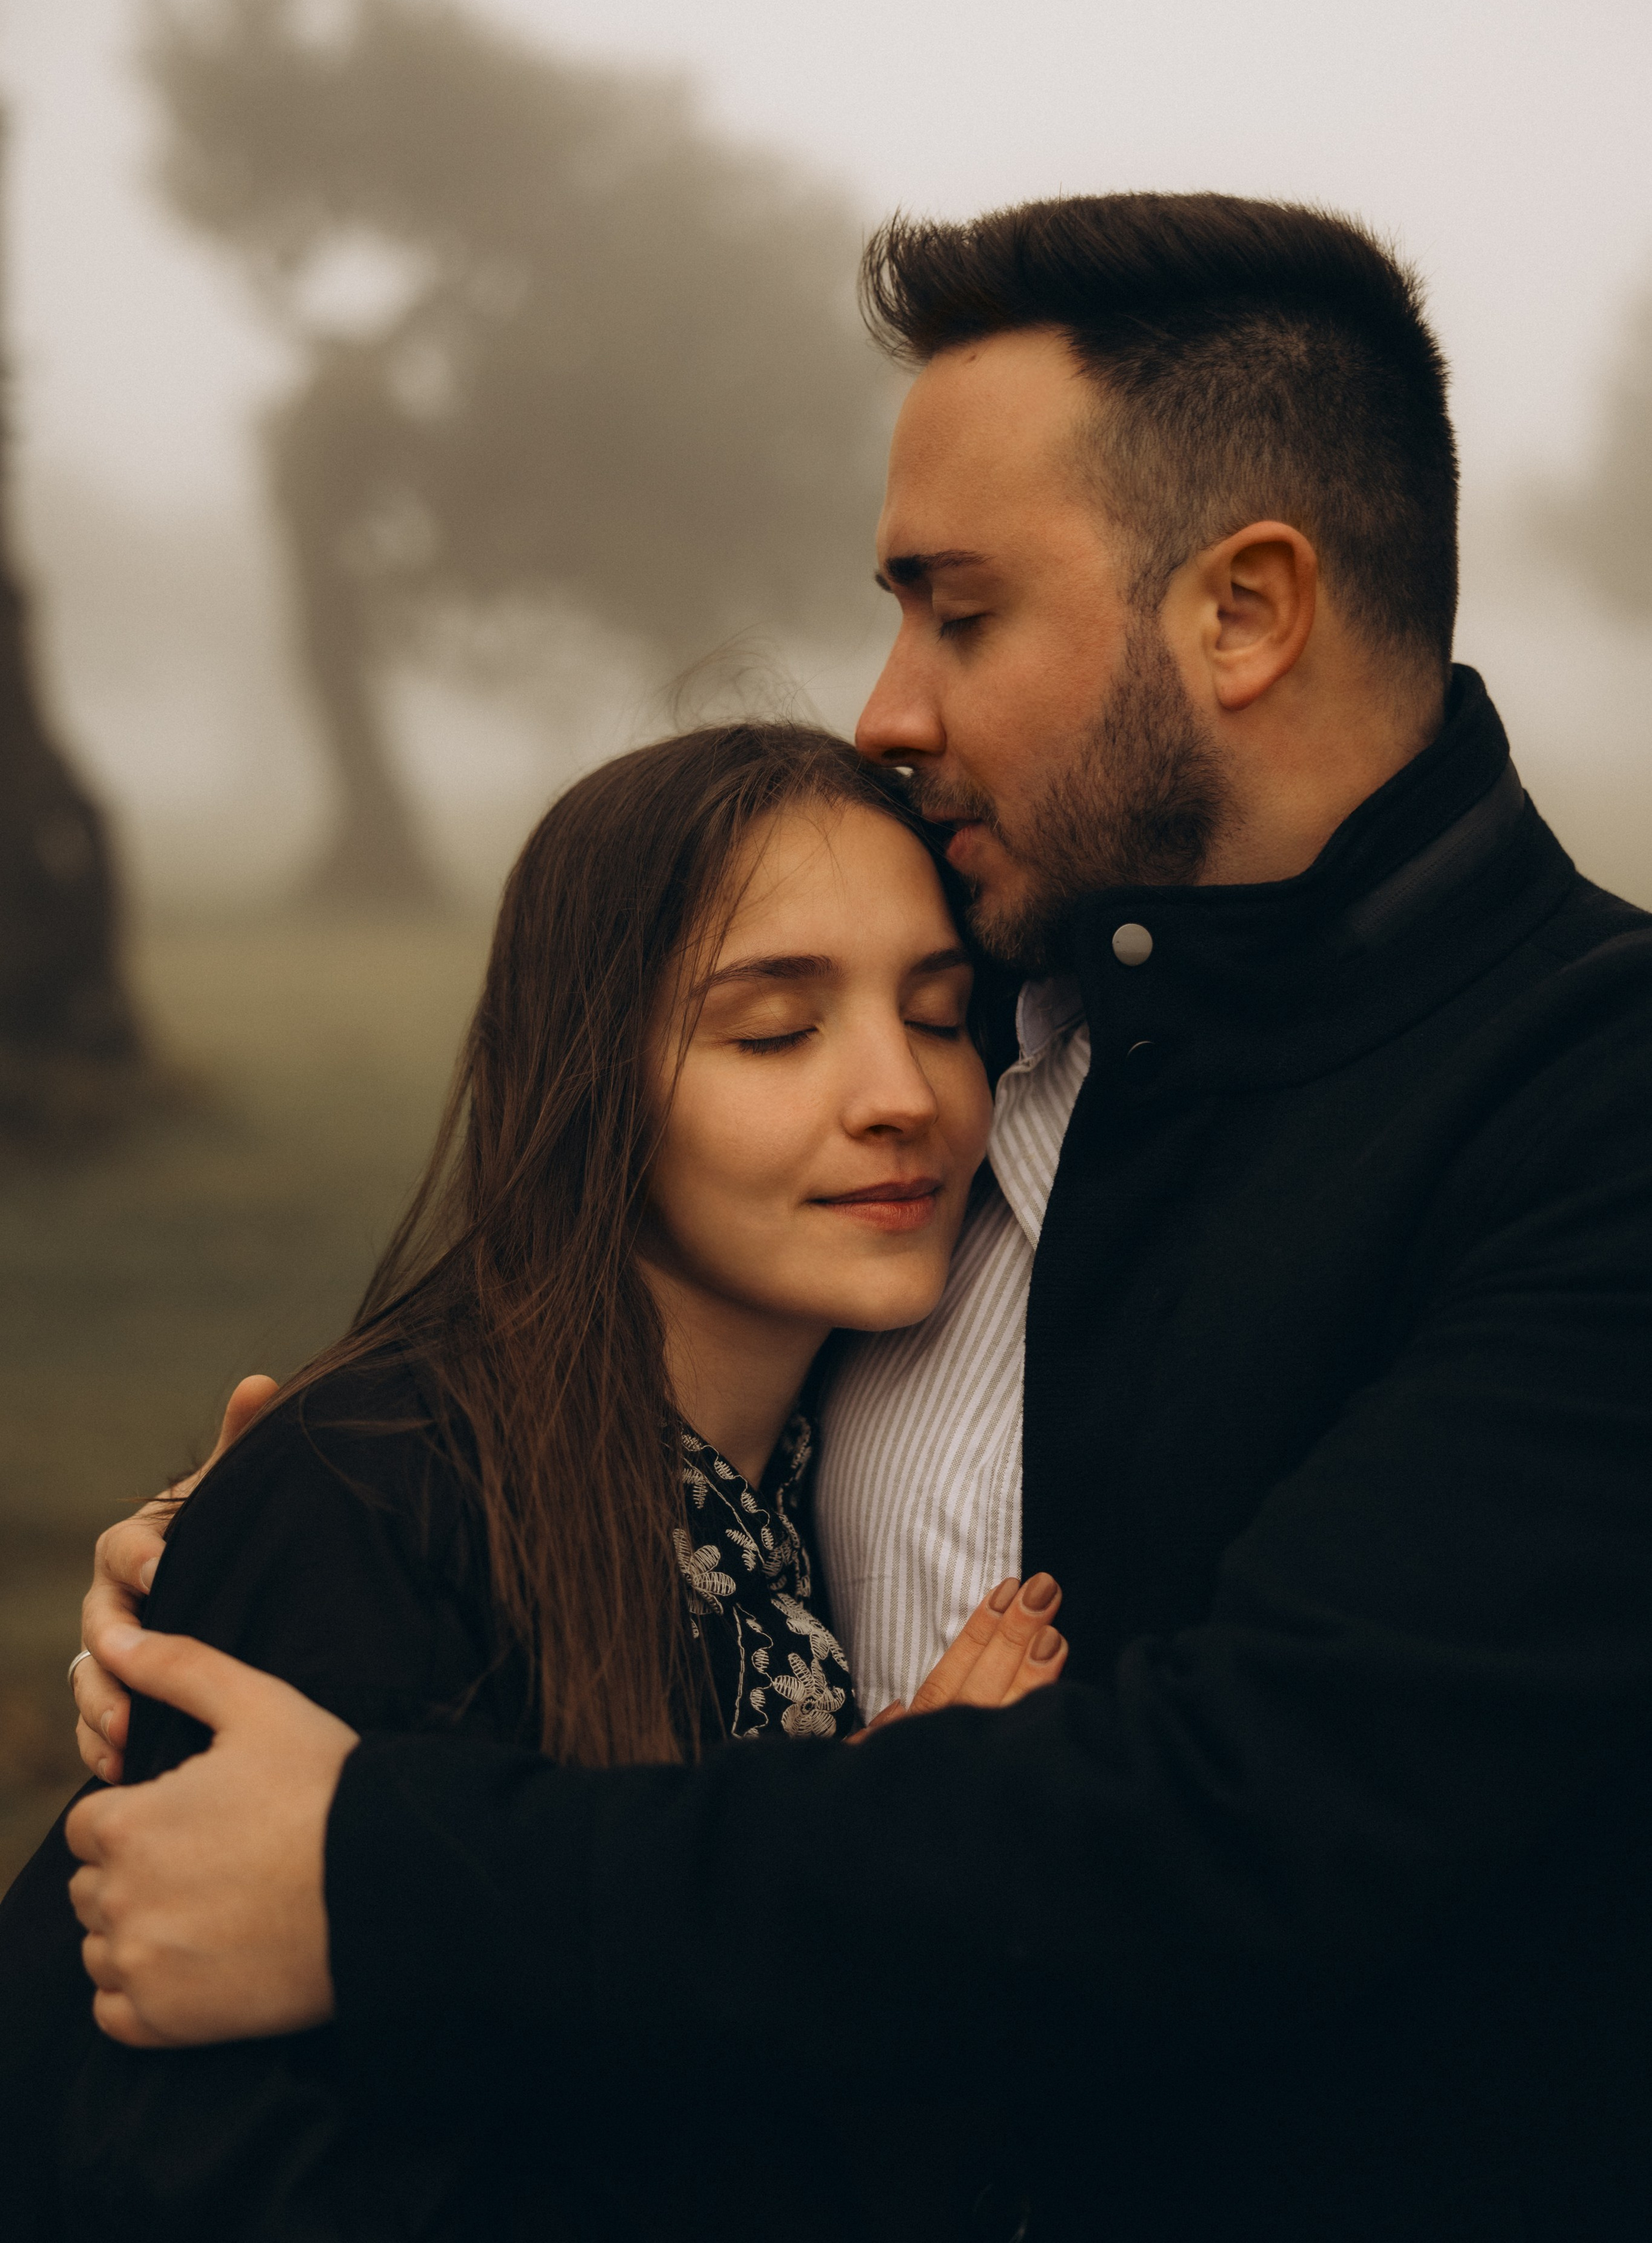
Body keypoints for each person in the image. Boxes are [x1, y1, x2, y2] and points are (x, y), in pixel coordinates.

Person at [44, 192, 1652, 2240]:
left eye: (960, 612)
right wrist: (314, 1546)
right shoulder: (1009, 969)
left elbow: (1238, 1824)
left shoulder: (1588, 1099)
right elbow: (617, 1331)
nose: (891, 704)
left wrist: (376, 1871)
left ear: (1246, 613)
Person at [0, 720, 1072, 2239]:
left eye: (942, 1015)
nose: (900, 1093)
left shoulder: (834, 1464)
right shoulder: (375, 1497)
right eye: (774, 1032)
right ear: (589, 1082)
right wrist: (891, 1874)